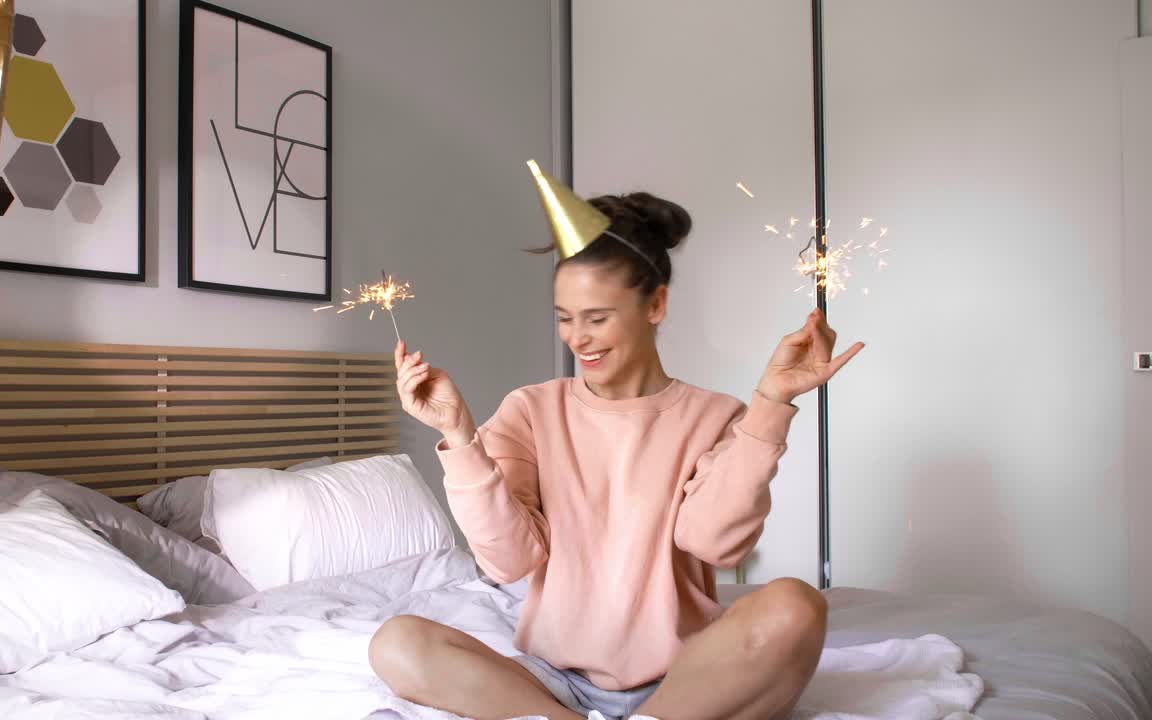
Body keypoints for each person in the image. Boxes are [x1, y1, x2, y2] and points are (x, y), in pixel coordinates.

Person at [370, 191, 865, 720]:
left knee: (796, 606)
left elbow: (716, 544)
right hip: (555, 680)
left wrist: (770, 405)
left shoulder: (718, 416)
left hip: (686, 679)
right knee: (397, 644)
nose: (578, 339)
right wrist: (459, 435)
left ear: (655, 305)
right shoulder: (530, 410)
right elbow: (508, 562)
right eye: (565, 318)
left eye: (597, 318)